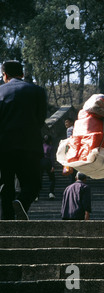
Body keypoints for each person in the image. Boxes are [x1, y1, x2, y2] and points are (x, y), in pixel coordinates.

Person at [0, 60, 47, 220]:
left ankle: (7, 220)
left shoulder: (0, 91)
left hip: (4, 147)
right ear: (22, 73)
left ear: (4, 75)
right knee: (33, 184)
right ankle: (22, 202)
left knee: (5, 185)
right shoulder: (38, 91)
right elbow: (41, 120)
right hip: (30, 146)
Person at [39, 135, 56, 200]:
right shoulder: (50, 147)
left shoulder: (41, 146)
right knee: (52, 179)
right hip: (48, 162)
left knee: (40, 178)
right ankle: (51, 193)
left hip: (41, 162)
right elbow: (52, 157)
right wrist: (53, 166)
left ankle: (37, 195)